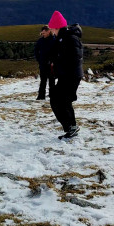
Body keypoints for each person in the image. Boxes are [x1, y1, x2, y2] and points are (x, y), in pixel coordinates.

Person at [48, 11, 84, 139]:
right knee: (58, 99)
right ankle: (70, 127)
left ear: (57, 27)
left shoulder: (70, 38)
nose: (51, 30)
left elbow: (75, 58)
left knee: (62, 100)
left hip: (71, 76)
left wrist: (59, 63)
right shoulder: (62, 38)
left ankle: (71, 128)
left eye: (52, 28)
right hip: (66, 75)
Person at [34, 25, 55, 100]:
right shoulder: (40, 41)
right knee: (43, 81)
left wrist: (53, 61)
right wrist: (39, 60)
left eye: (44, 33)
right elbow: (36, 50)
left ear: (48, 31)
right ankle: (41, 96)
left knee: (52, 81)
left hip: (51, 65)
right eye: (42, 33)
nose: (42, 34)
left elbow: (57, 52)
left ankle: (52, 96)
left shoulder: (54, 40)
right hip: (43, 64)